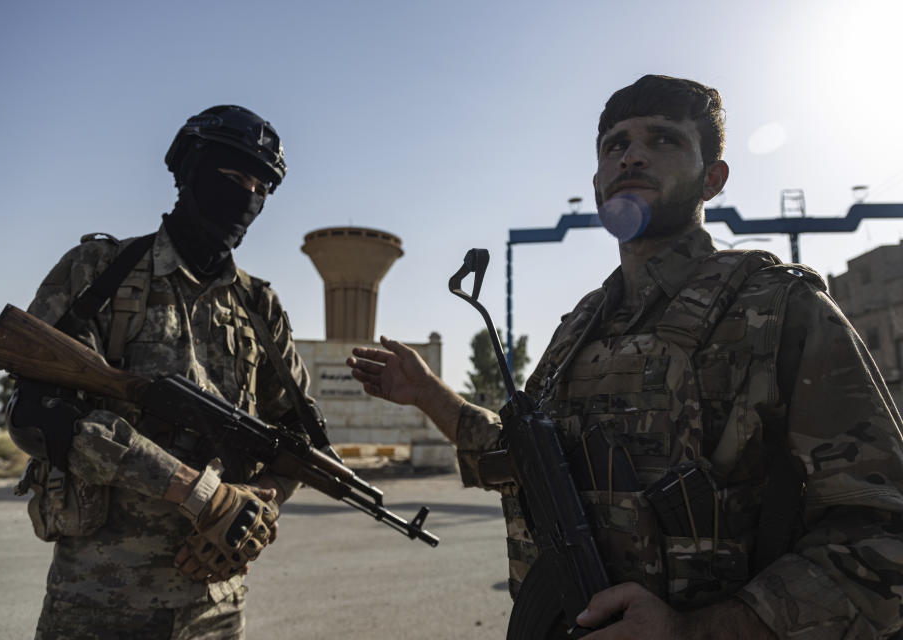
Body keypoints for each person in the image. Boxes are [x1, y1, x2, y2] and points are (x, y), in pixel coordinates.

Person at [347, 75, 903, 639]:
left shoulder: (782, 309)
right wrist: (427, 394)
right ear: (596, 180)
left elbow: (883, 533)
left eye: (663, 141)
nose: (632, 156)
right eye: (615, 145)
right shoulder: (580, 329)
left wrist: (697, 632)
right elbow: (527, 464)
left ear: (713, 178)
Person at [7, 105, 319, 639]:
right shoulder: (99, 272)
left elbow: (298, 438)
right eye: (232, 175)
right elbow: (35, 411)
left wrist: (257, 506)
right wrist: (196, 493)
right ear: (190, 171)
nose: (247, 195)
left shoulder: (260, 307)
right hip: (102, 599)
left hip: (215, 601)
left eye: (259, 185)